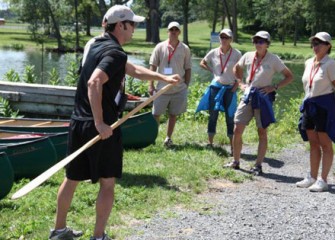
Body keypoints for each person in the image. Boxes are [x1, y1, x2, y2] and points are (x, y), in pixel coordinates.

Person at [49, 5, 180, 240]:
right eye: (133, 25)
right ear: (121, 25)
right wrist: (100, 123)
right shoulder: (115, 53)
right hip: (103, 127)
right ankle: (98, 236)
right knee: (107, 183)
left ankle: (58, 231)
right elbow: (94, 83)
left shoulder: (96, 45)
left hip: (79, 121)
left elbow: (133, 70)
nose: (134, 30)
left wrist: (163, 78)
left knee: (71, 179)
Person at [225, 30, 293, 175]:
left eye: (261, 41)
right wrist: (240, 83)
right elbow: (236, 68)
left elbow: (289, 76)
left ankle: (258, 165)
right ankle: (236, 162)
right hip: (248, 95)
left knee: (262, 132)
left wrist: (274, 87)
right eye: (256, 41)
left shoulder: (273, 59)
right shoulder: (248, 56)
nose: (258, 44)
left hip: (263, 97)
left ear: (267, 44)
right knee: (237, 129)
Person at [296, 32, 335, 192]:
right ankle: (311, 176)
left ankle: (323, 179)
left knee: (325, 144)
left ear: (328, 46)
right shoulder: (308, 62)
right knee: (313, 143)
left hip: (324, 106)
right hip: (309, 105)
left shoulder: (331, 64)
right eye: (314, 43)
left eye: (320, 43)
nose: (316, 46)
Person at [197, 29, 242, 152]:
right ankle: (210, 143)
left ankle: (232, 146)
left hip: (230, 89)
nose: (224, 39)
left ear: (231, 39)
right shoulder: (213, 52)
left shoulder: (237, 54)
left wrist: (236, 86)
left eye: (226, 37)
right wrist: (212, 71)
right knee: (213, 115)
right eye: (222, 37)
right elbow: (202, 62)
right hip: (216, 87)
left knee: (230, 116)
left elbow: (241, 71)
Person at [148, 21, 192, 147]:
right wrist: (150, 85)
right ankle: (153, 138)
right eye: (171, 30)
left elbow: (188, 68)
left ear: (179, 32)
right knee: (156, 114)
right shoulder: (160, 47)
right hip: (161, 88)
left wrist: (186, 85)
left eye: (176, 30)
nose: (173, 32)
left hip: (178, 89)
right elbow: (153, 66)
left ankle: (168, 138)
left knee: (173, 115)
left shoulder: (185, 49)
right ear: (167, 32)